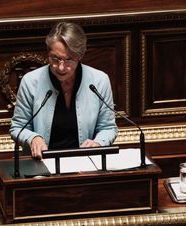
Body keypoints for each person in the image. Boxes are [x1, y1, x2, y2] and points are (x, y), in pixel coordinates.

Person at [9, 22, 118, 159]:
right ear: (48, 52)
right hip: (41, 164)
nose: (61, 67)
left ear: (80, 56)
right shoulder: (30, 81)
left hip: (85, 165)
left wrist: (98, 143)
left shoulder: (99, 81)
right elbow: (17, 128)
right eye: (55, 58)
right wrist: (33, 138)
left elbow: (108, 128)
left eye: (68, 60)